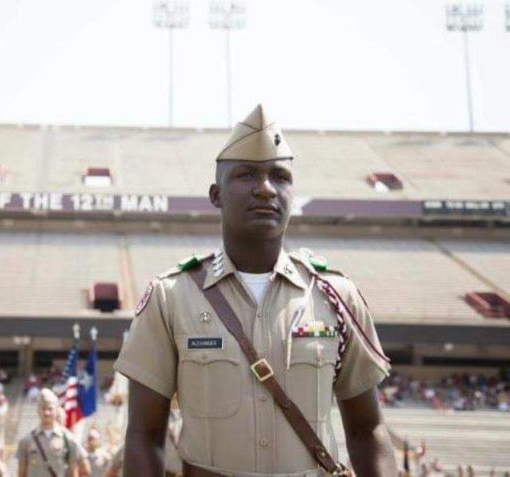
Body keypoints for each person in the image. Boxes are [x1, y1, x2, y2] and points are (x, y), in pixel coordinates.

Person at [114, 104, 397, 476]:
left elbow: (367, 430)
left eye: (280, 177)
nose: (266, 189)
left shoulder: (336, 297)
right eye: (246, 175)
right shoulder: (170, 298)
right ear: (215, 195)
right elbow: (144, 436)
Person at [16, 389, 81, 477]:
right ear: (38, 411)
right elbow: (21, 473)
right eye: (43, 409)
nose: (46, 413)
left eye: (50, 409)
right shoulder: (26, 441)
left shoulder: (69, 440)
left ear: (56, 411)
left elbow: (73, 472)